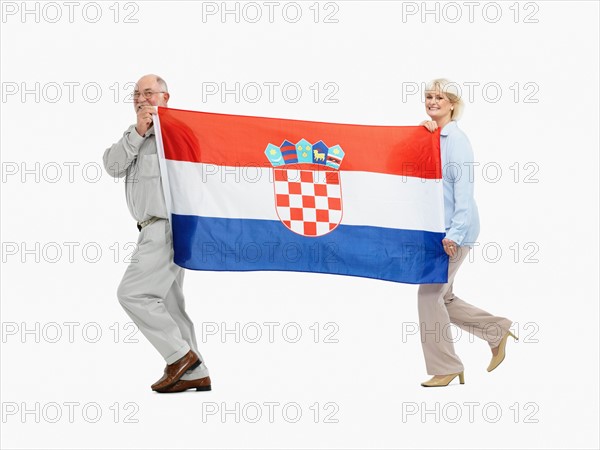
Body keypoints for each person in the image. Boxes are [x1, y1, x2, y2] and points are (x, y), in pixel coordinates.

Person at [103, 74, 211, 393]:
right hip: (150, 228)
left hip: (168, 228)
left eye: (149, 93)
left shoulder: (178, 134)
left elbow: (198, 177)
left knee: (132, 294)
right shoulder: (135, 135)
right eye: (136, 94)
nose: (141, 98)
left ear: (166, 97)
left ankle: (180, 357)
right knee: (169, 303)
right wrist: (138, 133)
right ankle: (196, 371)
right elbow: (112, 165)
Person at [417, 79, 516, 387]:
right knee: (443, 298)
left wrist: (455, 235)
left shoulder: (457, 141)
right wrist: (420, 135)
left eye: (440, 97)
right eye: (429, 97)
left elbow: (464, 191)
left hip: (456, 230)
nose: (433, 101)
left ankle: (446, 366)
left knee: (429, 295)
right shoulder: (434, 137)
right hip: (438, 230)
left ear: (452, 104)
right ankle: (495, 330)